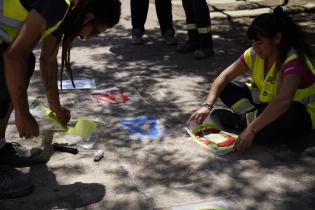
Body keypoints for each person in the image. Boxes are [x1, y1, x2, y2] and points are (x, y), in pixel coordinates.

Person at [0, 0, 121, 199]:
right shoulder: (57, 4)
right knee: (10, 69)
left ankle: (0, 146)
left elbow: (48, 59)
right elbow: (13, 56)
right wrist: (22, 113)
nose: (89, 38)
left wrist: (55, 107)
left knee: (24, 64)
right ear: (88, 17)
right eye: (95, 32)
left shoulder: (64, 14)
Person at [188, 7, 315, 152]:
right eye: (252, 42)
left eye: (259, 43)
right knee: (227, 88)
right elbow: (224, 77)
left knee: (274, 125)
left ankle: (242, 123)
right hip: (265, 105)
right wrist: (207, 105)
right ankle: (252, 121)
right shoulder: (253, 54)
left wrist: (251, 130)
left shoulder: (294, 60)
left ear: (277, 39)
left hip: (300, 115)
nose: (254, 47)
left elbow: (283, 102)